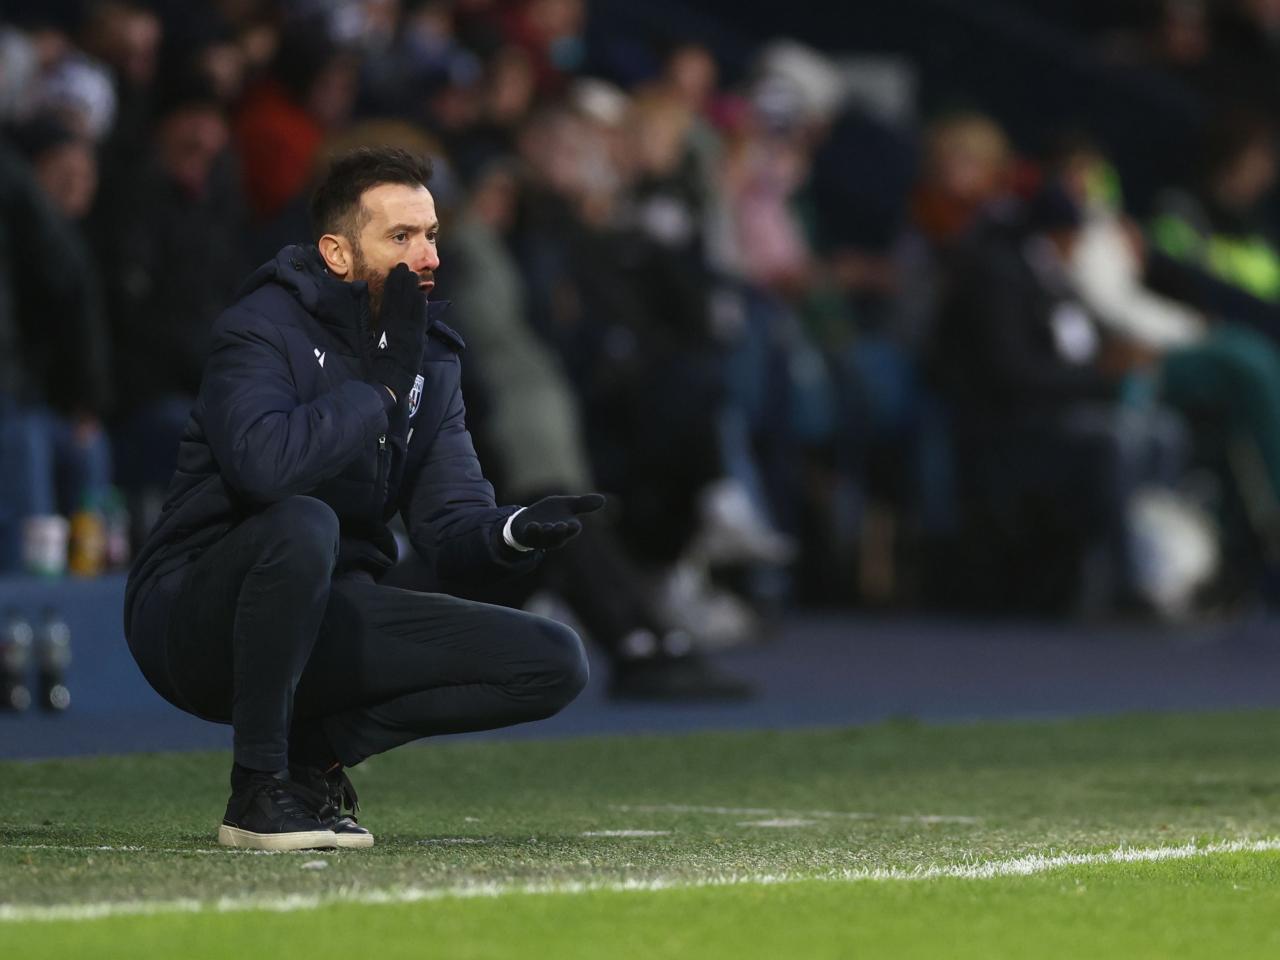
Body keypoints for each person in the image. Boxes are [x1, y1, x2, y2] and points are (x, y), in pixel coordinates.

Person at [123, 146, 602, 852]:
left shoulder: (429, 360)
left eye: (432, 234)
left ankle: (313, 759)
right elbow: (265, 467)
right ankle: (258, 790)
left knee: (553, 661)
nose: (427, 255)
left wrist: (512, 532)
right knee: (303, 522)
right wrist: (377, 388)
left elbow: (449, 528)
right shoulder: (261, 328)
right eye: (401, 237)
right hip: (193, 619)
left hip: (320, 615)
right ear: (337, 253)